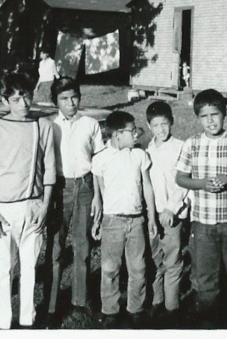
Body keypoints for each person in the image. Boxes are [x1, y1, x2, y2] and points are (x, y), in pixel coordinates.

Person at [176, 89, 227, 327]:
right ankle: (208, 323)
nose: (210, 120)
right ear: (198, 118)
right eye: (204, 116)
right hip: (203, 222)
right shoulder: (192, 144)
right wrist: (202, 183)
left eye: (215, 114)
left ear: (224, 114)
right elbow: (181, 178)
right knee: (205, 278)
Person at [0, 72, 56, 329]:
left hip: (33, 206)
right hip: (3, 210)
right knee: (2, 269)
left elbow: (49, 170)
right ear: (5, 101)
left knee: (30, 267)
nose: (23, 104)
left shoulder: (42, 126)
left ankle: (27, 320)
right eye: (16, 99)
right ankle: (3, 323)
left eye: (27, 97)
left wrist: (44, 205)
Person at [44, 77, 105, 328]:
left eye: (74, 97)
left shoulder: (90, 124)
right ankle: (50, 305)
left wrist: (99, 197)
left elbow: (99, 161)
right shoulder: (49, 126)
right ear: (55, 101)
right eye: (64, 99)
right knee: (56, 248)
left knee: (82, 245)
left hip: (85, 187)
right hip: (60, 189)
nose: (71, 103)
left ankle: (81, 300)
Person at [91, 111, 157, 328]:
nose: (136, 133)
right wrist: (98, 218)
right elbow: (99, 192)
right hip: (113, 222)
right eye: (132, 130)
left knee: (138, 267)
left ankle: (135, 308)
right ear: (118, 134)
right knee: (110, 268)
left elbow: (147, 187)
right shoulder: (101, 158)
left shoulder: (139, 155)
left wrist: (151, 217)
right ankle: (110, 309)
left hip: (136, 221)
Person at [145, 101, 188, 323]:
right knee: (154, 259)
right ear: (149, 126)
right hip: (153, 213)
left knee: (172, 260)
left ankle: (172, 307)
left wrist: (171, 207)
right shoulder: (147, 150)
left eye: (164, 123)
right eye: (155, 125)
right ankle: (156, 301)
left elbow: (183, 181)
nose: (161, 129)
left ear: (171, 122)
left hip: (172, 212)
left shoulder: (181, 147)